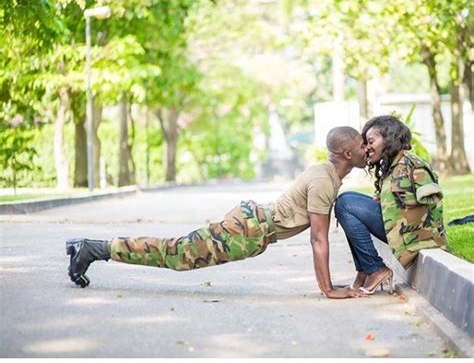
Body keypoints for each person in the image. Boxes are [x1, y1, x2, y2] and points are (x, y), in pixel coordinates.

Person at [66, 126, 368, 299]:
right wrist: (328, 289)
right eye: (362, 146)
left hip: (251, 226)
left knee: (177, 252)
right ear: (347, 154)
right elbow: (318, 239)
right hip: (248, 229)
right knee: (177, 254)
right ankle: (91, 249)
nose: (367, 150)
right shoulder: (324, 180)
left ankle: (91, 248)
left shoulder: (326, 174)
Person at [335, 115, 448, 294]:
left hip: (414, 236)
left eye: (370, 141)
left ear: (389, 139)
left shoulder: (411, 163)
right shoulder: (394, 165)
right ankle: (365, 270)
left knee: (345, 204)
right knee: (345, 198)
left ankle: (375, 269)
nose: (367, 147)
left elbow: (432, 201)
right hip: (401, 230)